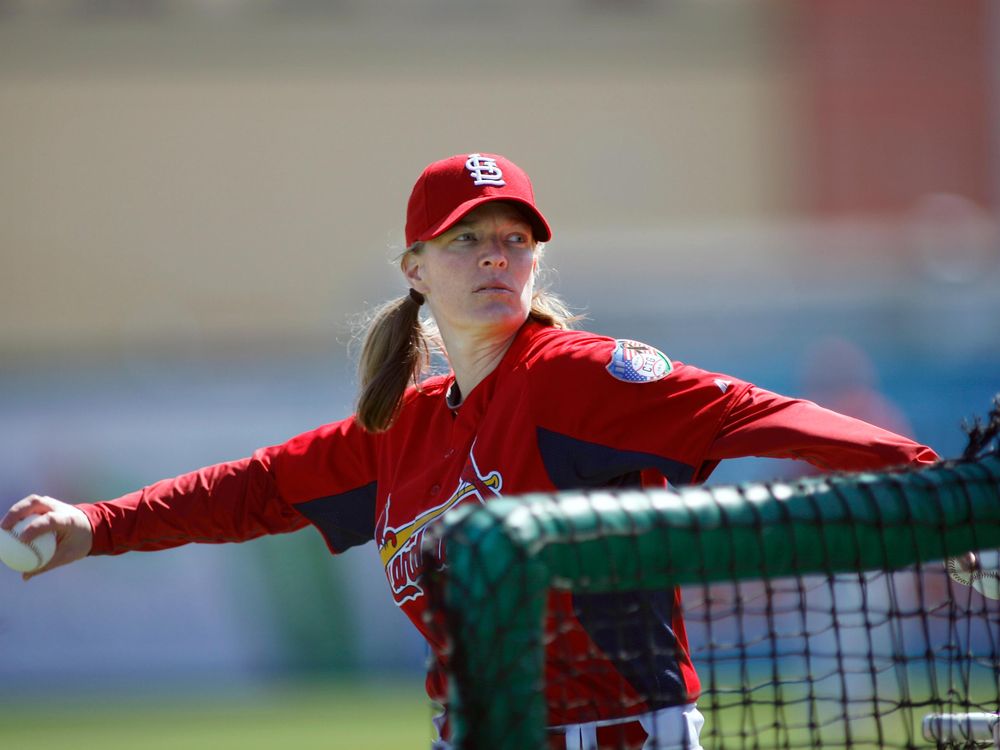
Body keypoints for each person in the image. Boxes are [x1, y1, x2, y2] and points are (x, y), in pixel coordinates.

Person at [2, 152, 939, 750]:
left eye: (514, 240)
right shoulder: (401, 426)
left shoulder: (572, 377)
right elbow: (255, 489)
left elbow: (748, 414)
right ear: (416, 270)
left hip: (612, 735)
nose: (496, 257)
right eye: (467, 241)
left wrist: (933, 482)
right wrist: (96, 523)